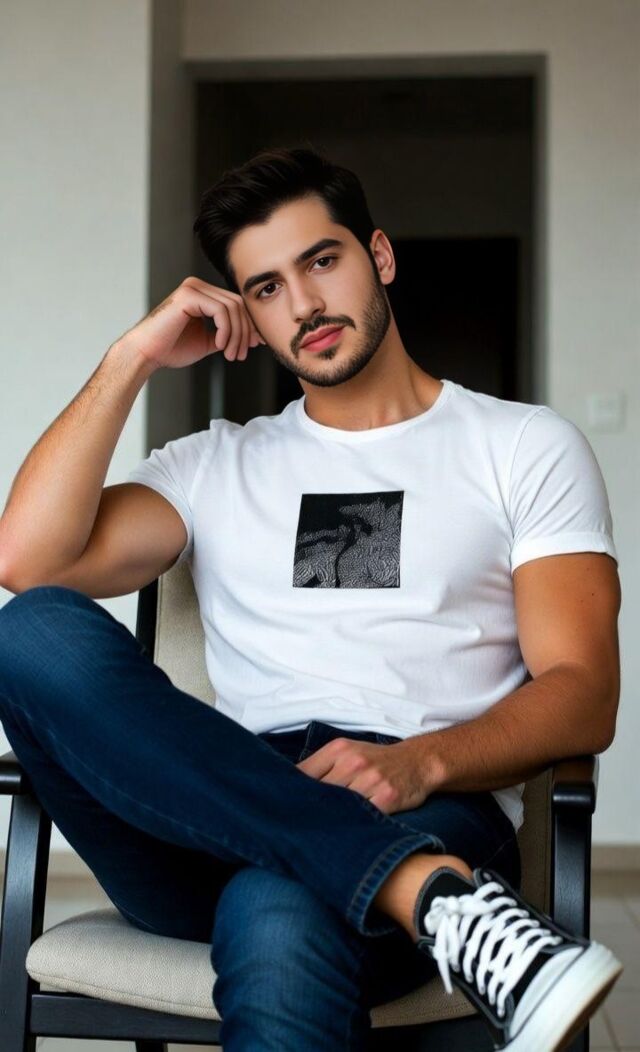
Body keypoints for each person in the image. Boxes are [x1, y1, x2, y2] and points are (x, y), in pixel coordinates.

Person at [0, 145, 623, 1051]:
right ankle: (431, 900)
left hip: (427, 798)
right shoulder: (212, 462)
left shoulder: (524, 446)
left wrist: (418, 764)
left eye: (322, 261)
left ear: (381, 256)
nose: (303, 305)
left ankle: (400, 874)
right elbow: (26, 560)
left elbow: (583, 691)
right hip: (211, 808)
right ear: (244, 314)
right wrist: (131, 358)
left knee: (279, 910)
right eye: (266, 288)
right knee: (31, 630)